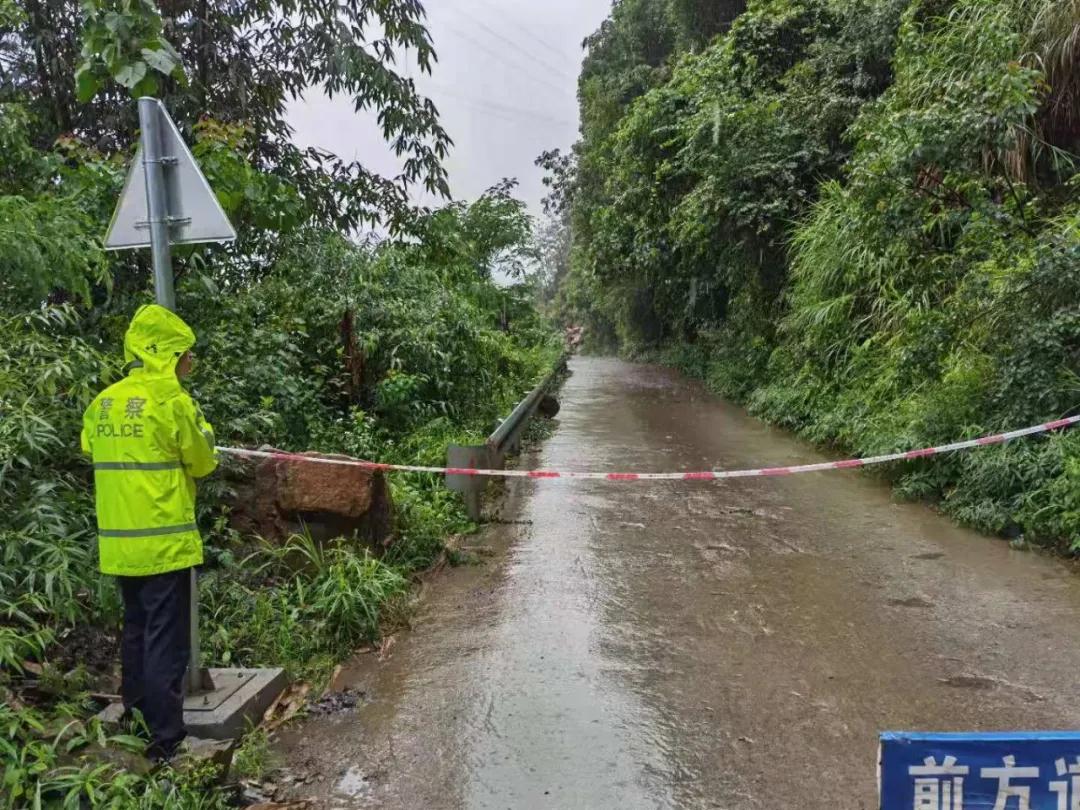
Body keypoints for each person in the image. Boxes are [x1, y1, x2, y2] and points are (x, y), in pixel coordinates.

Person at [80, 304, 218, 760]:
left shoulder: (104, 402)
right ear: (170, 353)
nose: (191, 362)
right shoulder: (173, 402)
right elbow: (202, 460)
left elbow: (88, 446)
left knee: (136, 632)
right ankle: (167, 740)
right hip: (164, 543)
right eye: (187, 353)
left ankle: (136, 724)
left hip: (121, 545)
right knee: (165, 642)